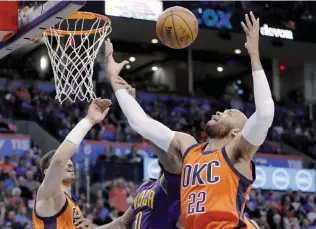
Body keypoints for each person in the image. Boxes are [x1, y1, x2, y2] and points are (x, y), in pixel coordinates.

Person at [106, 12, 272, 229]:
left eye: (229, 114)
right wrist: (114, 81)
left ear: (236, 133)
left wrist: (253, 54)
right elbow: (141, 124)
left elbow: (264, 114)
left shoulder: (237, 153)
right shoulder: (188, 148)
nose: (220, 112)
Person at [95, 82, 183, 229]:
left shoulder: (174, 183)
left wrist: (133, 107)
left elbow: (156, 135)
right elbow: (122, 223)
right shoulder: (147, 184)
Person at [32, 98, 112, 229]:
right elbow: (59, 160)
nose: (70, 165)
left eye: (71, 162)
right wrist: (89, 120)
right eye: (66, 163)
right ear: (47, 172)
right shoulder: (48, 194)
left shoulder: (72, 206)